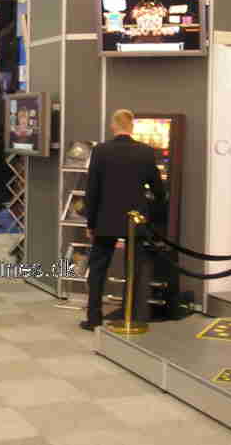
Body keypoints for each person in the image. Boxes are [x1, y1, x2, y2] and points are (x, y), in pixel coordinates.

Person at [80, 109, 165, 331]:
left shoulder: (100, 151)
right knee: (133, 270)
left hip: (105, 219)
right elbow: (158, 189)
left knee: (98, 269)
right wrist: (152, 212)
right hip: (134, 221)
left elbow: (92, 190)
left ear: (113, 126)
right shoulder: (146, 152)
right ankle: (132, 314)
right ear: (132, 126)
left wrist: (90, 223)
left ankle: (94, 318)